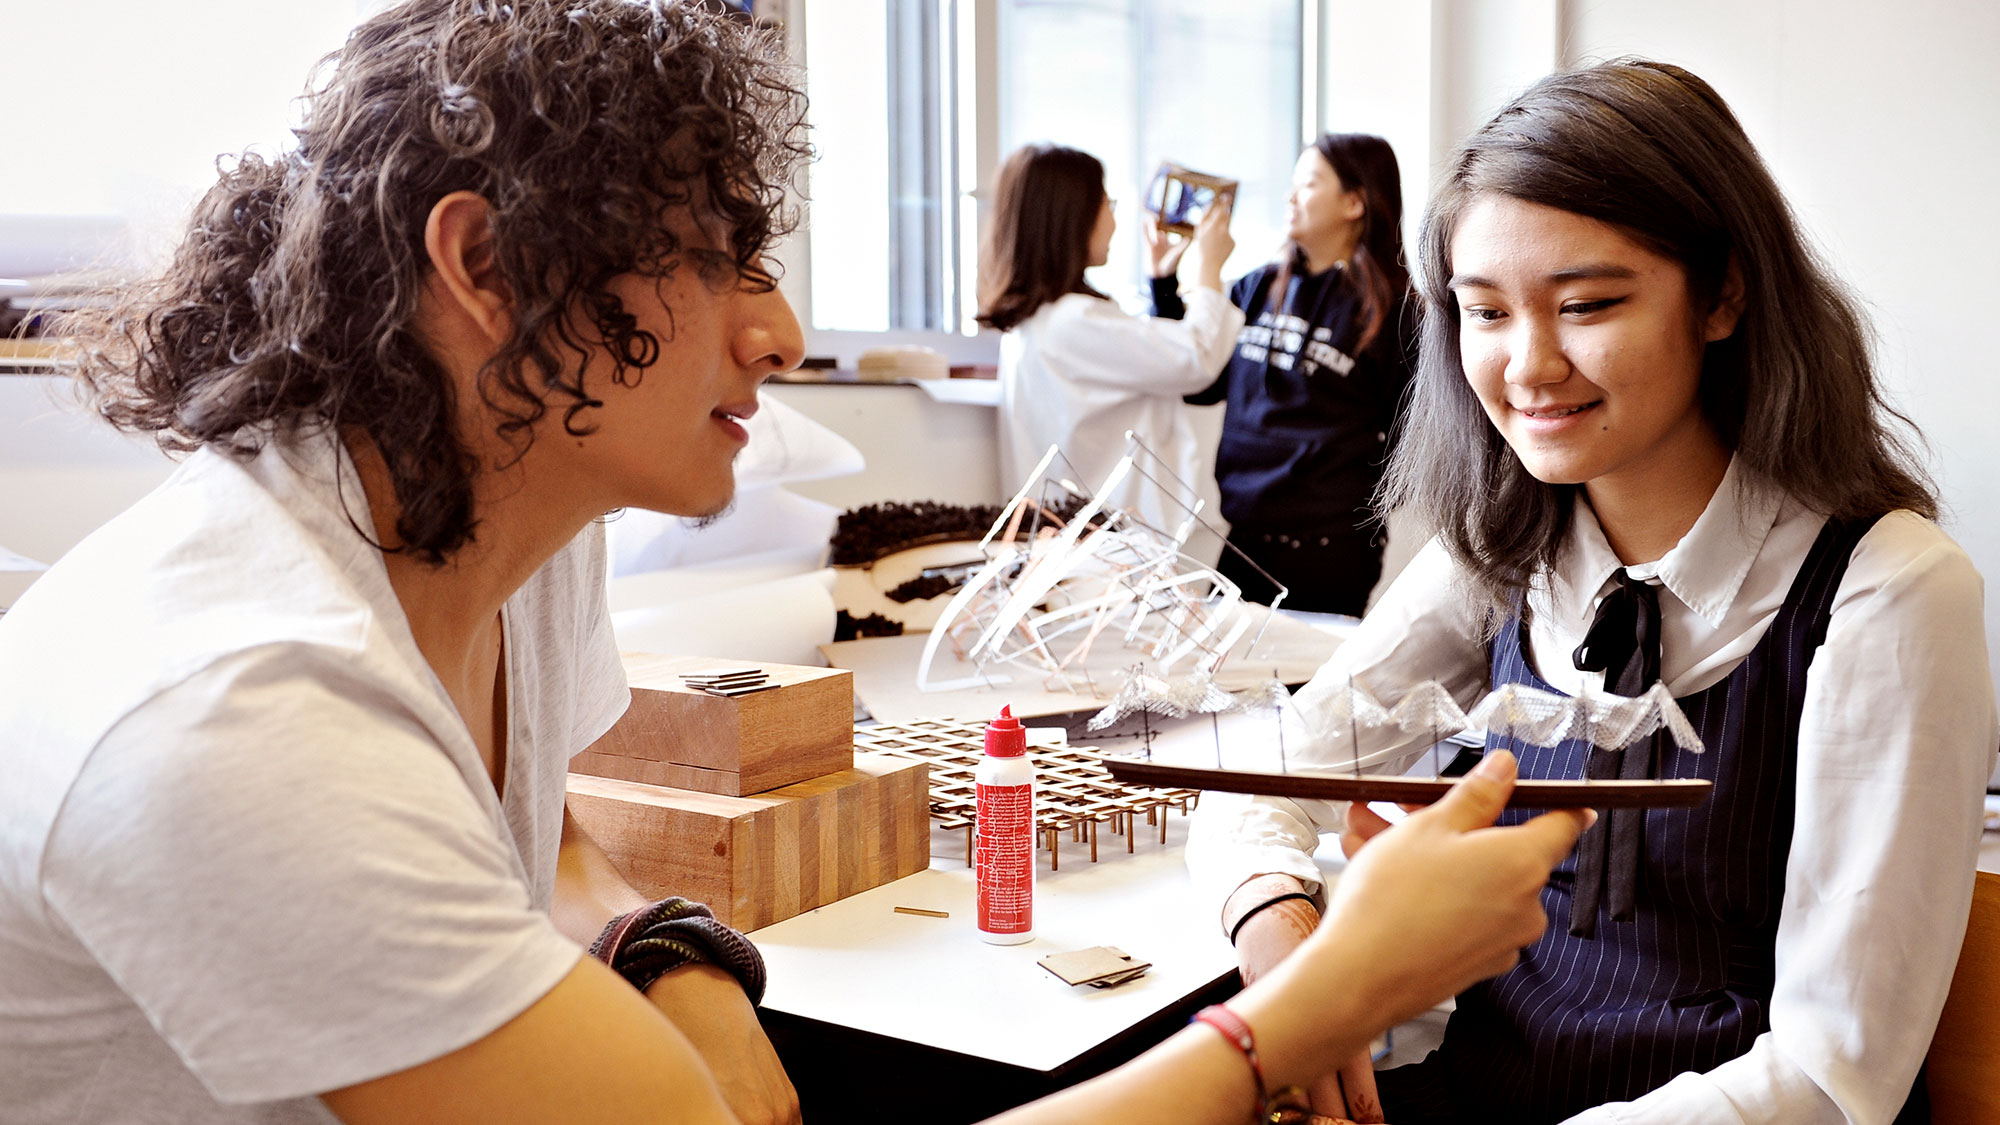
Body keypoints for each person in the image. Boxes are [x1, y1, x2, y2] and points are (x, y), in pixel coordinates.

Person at [0, 4, 1597, 1123]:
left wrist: (668, 948)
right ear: (485, 268)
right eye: (719, 263)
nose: (774, 331)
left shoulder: (506, 536)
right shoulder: (247, 706)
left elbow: (541, 842)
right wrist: (1312, 1009)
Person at [1187, 59, 1999, 1125]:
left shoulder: (1884, 590)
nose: (1526, 366)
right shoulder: (1503, 552)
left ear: (1721, 294)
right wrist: (1280, 944)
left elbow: (1829, 1076)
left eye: (1584, 305)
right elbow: (1266, 778)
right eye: (1483, 312)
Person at [1150, 134, 1414, 616]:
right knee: (1221, 684)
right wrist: (1164, 287)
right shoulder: (1256, 287)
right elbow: (1202, 386)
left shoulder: (1395, 310)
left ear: (1354, 202)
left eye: (1308, 184)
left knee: (1301, 689)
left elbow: (1412, 438)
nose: (1290, 197)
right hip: (1244, 539)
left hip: (1328, 551)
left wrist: (1344, 500)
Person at [980, 144, 1242, 532]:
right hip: (1117, 542)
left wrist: (1162, 283)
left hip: (1082, 533)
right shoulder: (1073, 321)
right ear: (1073, 216)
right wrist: (1207, 273)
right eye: (1107, 203)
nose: (1115, 222)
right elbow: (1195, 358)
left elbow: (1154, 357)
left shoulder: (1038, 322)